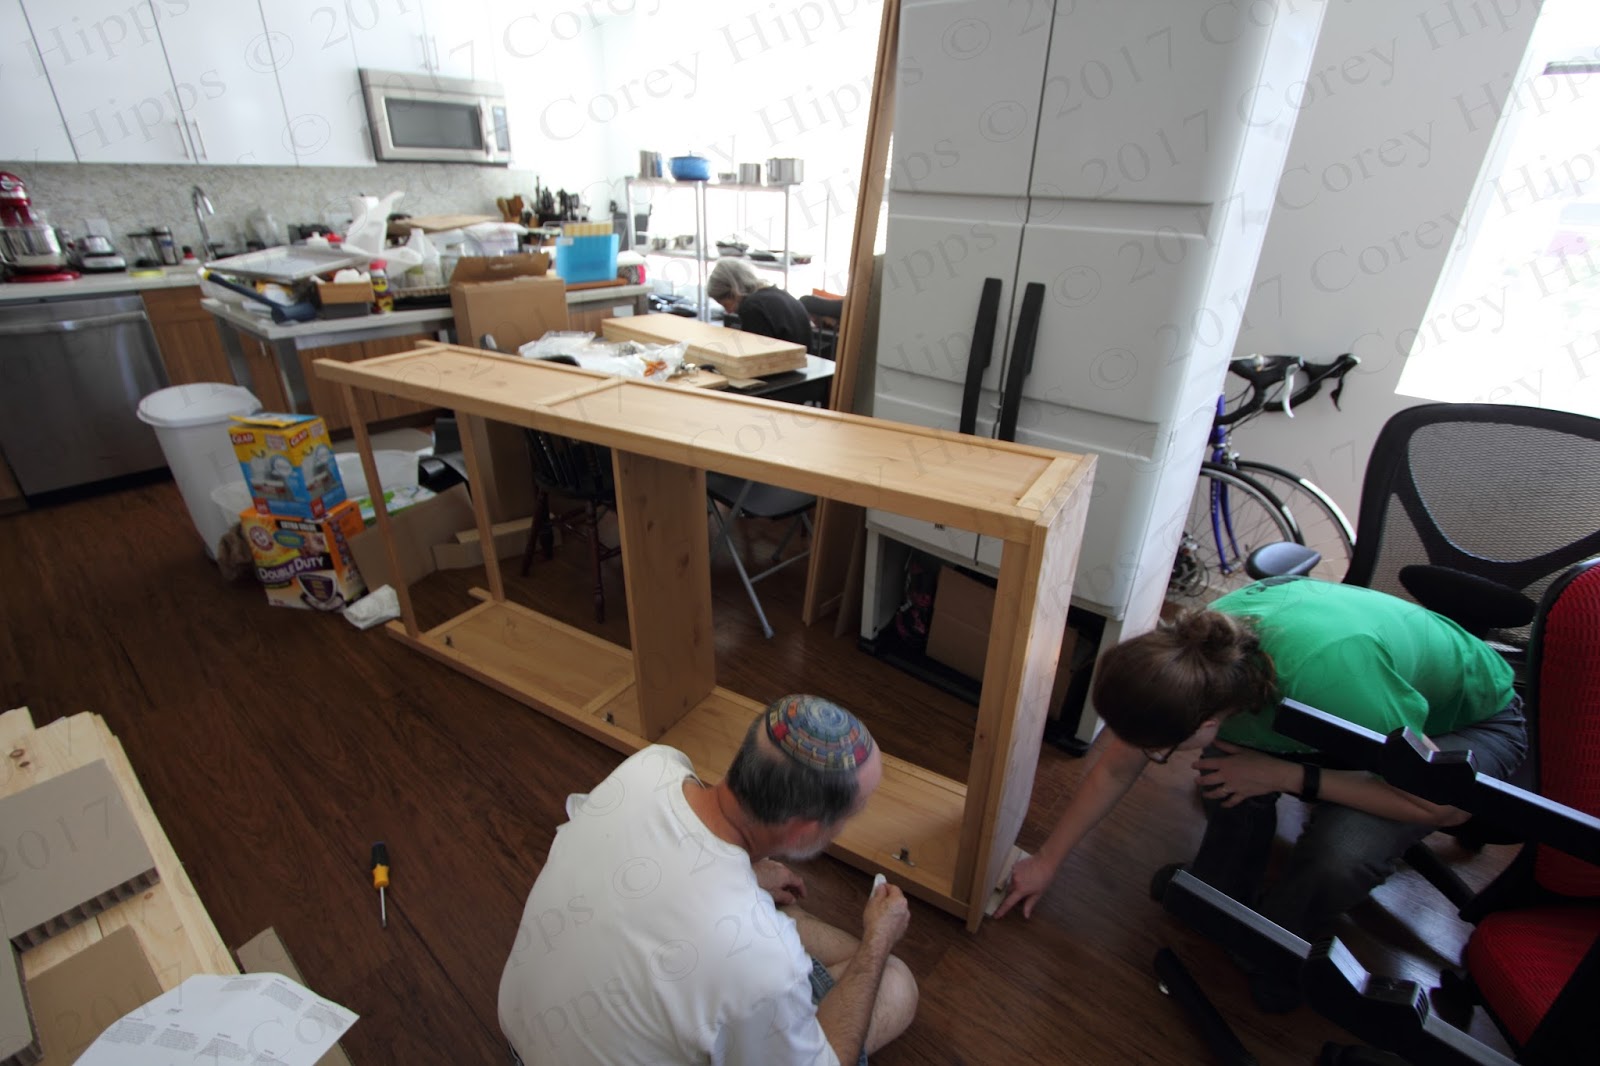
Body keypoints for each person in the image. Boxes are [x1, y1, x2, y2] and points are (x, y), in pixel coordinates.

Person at [995, 578, 1526, 1009]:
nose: (1150, 756)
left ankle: (1280, 942)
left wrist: (1288, 776)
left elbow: (1444, 807)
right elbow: (1114, 769)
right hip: (1356, 719)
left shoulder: (1330, 680)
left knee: (1339, 853)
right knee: (1229, 772)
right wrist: (1046, 861)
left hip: (1467, 726)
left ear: (1206, 721)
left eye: (1161, 752)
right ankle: (1223, 892)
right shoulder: (1197, 663)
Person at [499, 694, 918, 1064]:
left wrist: (748, 873)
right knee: (895, 982)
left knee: (781, 927)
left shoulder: (652, 764)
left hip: (525, 1037)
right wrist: (878, 938)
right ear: (805, 831)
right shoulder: (764, 958)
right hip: (746, 969)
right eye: (852, 813)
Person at [707, 258, 814, 349]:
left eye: (725, 305)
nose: (728, 312)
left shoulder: (751, 307)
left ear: (734, 292)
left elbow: (756, 353)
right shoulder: (780, 295)